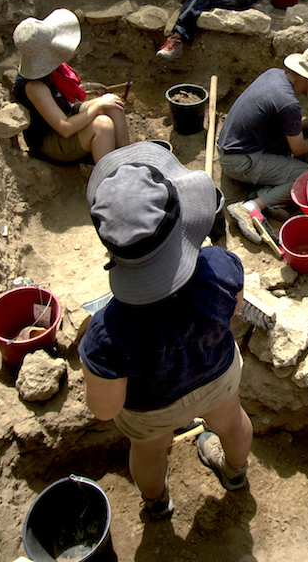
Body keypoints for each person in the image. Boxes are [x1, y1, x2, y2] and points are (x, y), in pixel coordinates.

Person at [78, 142, 253, 519]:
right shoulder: (220, 267)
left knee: (149, 450)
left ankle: (156, 505)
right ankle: (235, 473)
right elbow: (233, 311)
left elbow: (105, 409)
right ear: (182, 221)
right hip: (216, 376)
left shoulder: (106, 335)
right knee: (232, 422)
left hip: (150, 410)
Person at [217, 47, 308, 243]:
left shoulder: (274, 75)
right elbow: (298, 147)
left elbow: (288, 123)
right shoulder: (289, 103)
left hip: (235, 145)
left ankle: (270, 190)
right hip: (238, 161)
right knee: (306, 176)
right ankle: (250, 206)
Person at [12, 9, 129, 164]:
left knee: (113, 104)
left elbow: (57, 93)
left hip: (64, 114)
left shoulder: (42, 71)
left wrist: (87, 86)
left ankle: (129, 161)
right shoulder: (35, 87)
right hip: (51, 141)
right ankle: (109, 180)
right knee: (103, 125)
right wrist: (99, 103)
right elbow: (65, 128)